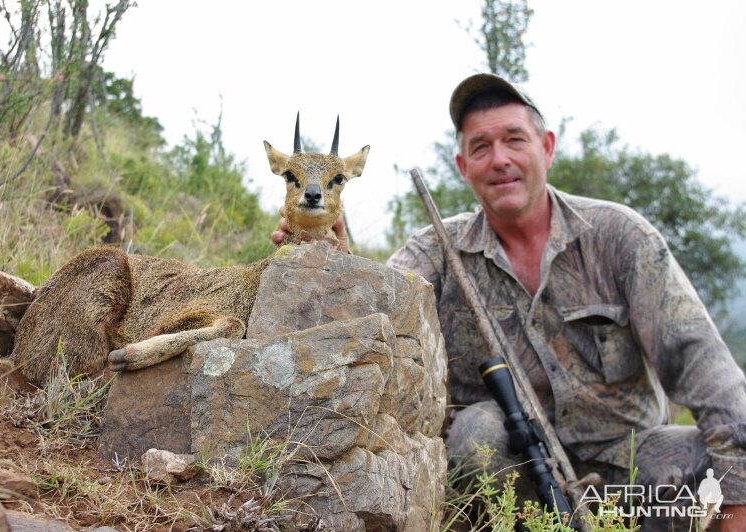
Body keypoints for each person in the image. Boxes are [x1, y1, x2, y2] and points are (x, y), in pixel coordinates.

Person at [273, 73, 746, 531]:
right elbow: (379, 308)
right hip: (511, 486)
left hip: (624, 477)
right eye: (480, 147)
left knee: (696, 460)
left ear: (547, 148)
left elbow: (707, 370)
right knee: (476, 433)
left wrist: (739, 504)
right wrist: (329, 256)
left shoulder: (621, 237)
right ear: (463, 167)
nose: (499, 159)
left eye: (515, 140)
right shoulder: (435, 248)